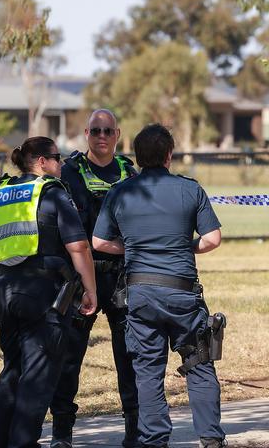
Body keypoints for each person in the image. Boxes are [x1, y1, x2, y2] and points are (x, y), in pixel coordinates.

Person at [92, 123, 226, 448]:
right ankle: (211, 438)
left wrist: (134, 248)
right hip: (183, 294)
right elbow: (212, 239)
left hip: (141, 295)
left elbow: (98, 241)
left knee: (148, 371)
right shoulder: (190, 189)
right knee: (199, 363)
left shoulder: (120, 192)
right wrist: (184, 246)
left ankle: (154, 441)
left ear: (137, 158)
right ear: (169, 155)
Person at [0, 136, 97, 448]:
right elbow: (78, 246)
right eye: (57, 158)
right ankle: (22, 443)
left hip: (4, 290)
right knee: (38, 373)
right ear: (41, 162)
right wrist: (90, 290)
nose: (61, 164)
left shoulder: (1, 191)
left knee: (13, 369)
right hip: (43, 293)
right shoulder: (51, 192)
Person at [50, 109, 140, 448]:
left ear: (117, 134)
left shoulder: (129, 173)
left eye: (108, 131)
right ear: (86, 133)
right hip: (78, 278)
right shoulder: (70, 171)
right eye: (95, 130)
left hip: (120, 277)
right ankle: (62, 433)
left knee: (129, 357)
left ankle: (134, 430)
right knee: (68, 358)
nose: (101, 136)